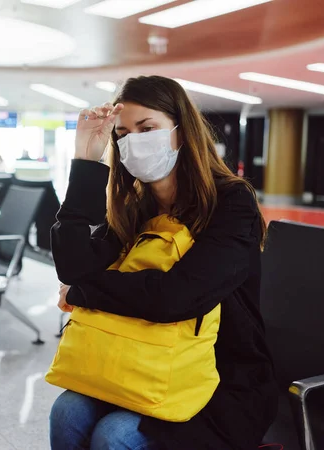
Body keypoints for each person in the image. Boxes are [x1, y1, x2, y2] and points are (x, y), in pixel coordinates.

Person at [49, 76, 278, 450]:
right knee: (67, 411)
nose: (133, 141)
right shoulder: (135, 205)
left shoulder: (232, 204)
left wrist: (84, 293)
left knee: (115, 435)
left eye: (147, 128)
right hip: (139, 359)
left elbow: (174, 297)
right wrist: (85, 160)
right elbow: (74, 268)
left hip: (221, 376)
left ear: (181, 131)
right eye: (123, 133)